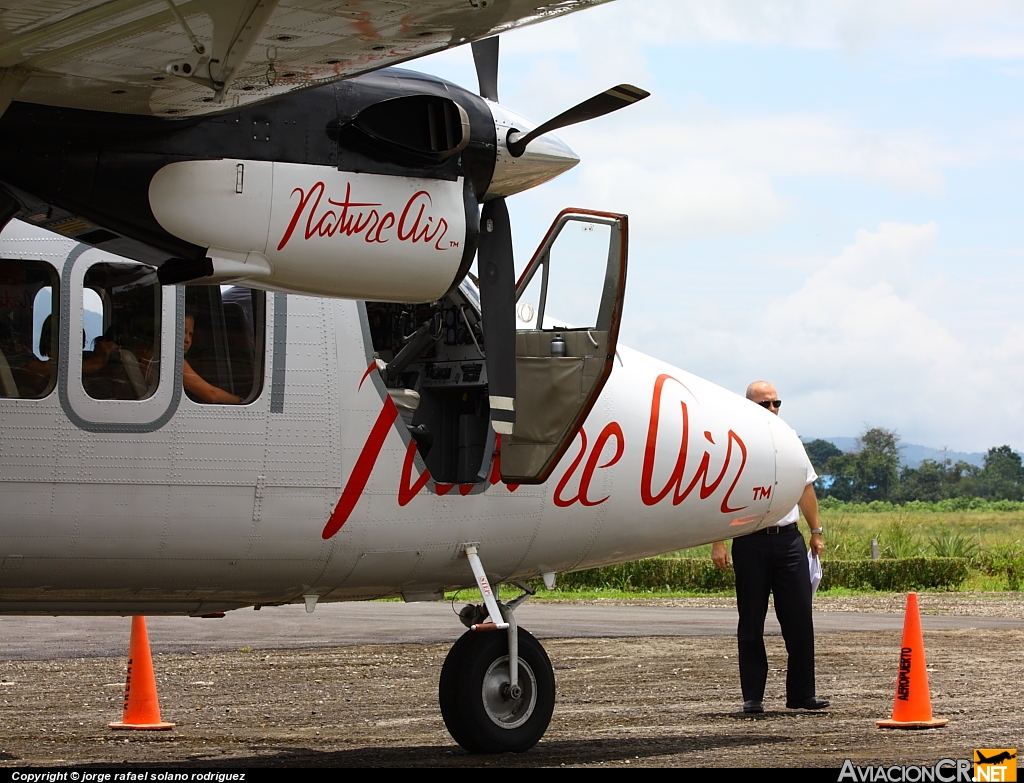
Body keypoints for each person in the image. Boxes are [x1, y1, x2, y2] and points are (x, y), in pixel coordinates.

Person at [711, 380, 828, 714]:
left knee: (800, 619)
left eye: (776, 403)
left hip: (788, 539)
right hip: (749, 540)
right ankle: (753, 696)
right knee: (751, 621)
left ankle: (802, 694)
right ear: (749, 406)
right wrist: (717, 541)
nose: (773, 410)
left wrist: (816, 531)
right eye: (765, 404)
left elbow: (805, 487)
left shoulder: (789, 439)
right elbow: (720, 492)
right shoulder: (733, 441)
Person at [183, 312, 243, 404]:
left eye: (190, 334)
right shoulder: (171, 361)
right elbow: (212, 395)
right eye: (182, 332)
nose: (187, 340)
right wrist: (239, 400)